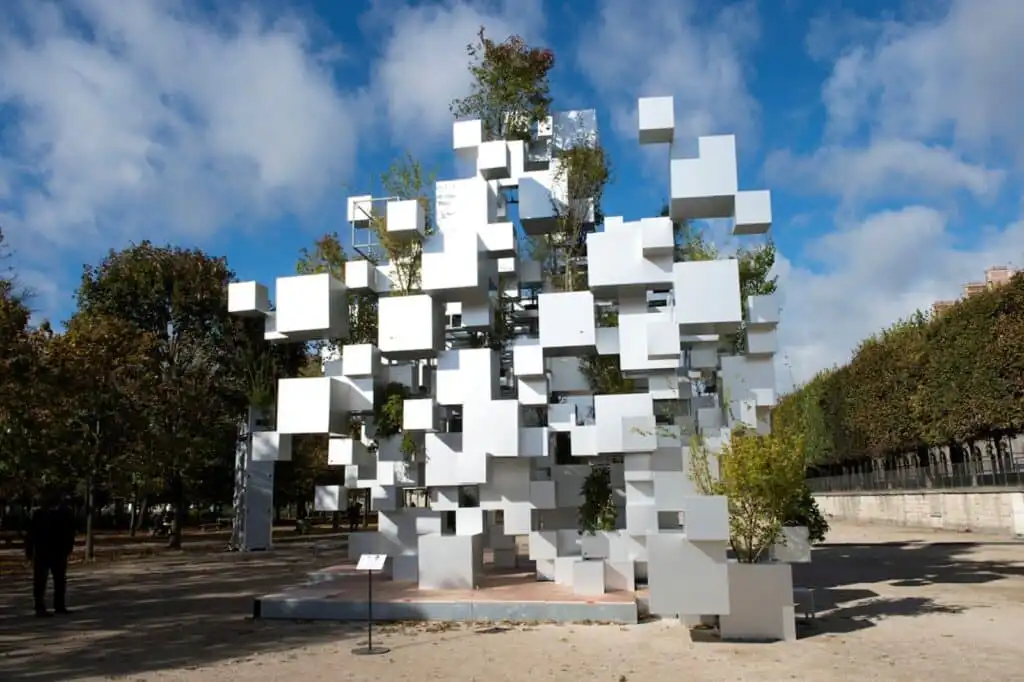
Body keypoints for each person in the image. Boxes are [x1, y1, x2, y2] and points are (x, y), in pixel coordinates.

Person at [24, 491, 76, 617]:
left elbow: (31, 534)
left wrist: (29, 550)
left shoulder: (40, 514)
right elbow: (70, 532)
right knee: (55, 580)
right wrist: (68, 548)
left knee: (46, 581)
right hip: (54, 551)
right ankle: (56, 606)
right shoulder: (63, 513)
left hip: (47, 551)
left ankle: (44, 606)